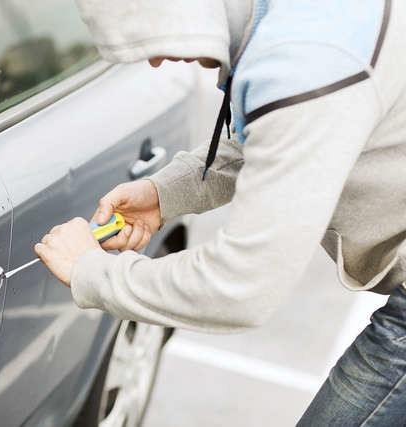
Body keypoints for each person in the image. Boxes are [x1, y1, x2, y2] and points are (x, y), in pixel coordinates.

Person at [34, 0, 406, 425]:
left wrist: (92, 272)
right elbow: (273, 139)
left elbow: (241, 286)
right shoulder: (286, 20)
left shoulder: (307, 64)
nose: (156, 61)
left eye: (149, 37)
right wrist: (165, 192)